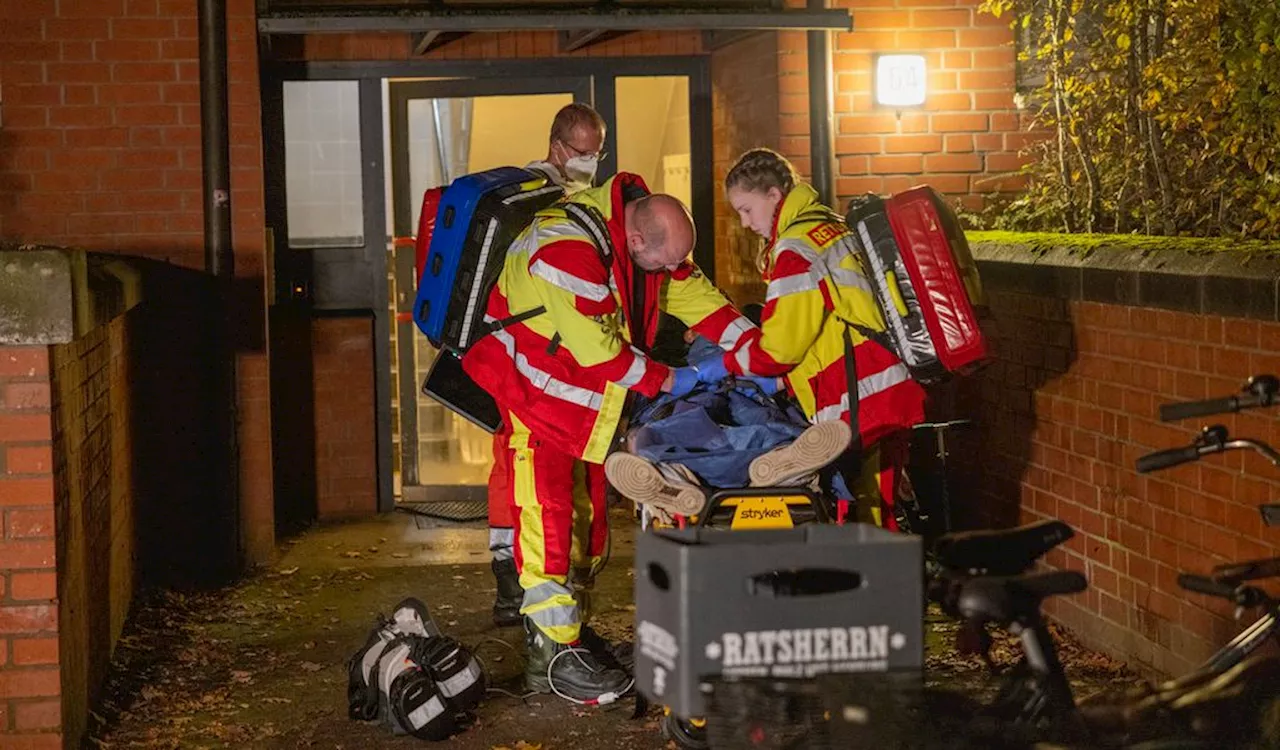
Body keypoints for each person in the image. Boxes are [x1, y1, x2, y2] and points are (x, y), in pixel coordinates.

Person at [462, 171, 756, 701]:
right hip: (532, 393)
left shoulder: (635, 240)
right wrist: (680, 377)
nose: (673, 270)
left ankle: (574, 633)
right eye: (665, 261)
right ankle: (550, 656)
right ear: (638, 238)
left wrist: (756, 347)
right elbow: (604, 354)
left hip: (578, 400)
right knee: (545, 514)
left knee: (585, 515)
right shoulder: (563, 248)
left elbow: (693, 294)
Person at [682, 147, 926, 529]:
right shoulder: (828, 224)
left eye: (746, 209)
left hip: (856, 397)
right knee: (882, 504)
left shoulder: (796, 249)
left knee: (862, 508)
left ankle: (877, 583)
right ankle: (890, 580)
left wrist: (725, 365)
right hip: (885, 383)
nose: (745, 223)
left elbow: (779, 348)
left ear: (773, 196)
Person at [487, 103, 608, 629]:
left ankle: (532, 578)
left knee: (528, 472)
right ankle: (518, 585)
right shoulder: (533, 200)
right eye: (583, 152)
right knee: (527, 472)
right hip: (529, 360)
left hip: (530, 358)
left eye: (596, 153)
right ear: (558, 146)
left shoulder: (550, 199)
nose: (590, 162)